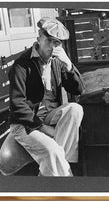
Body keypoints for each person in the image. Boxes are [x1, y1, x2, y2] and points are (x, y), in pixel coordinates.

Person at [8, 17, 84, 176]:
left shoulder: (57, 62)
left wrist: (69, 66)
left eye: (57, 43)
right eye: (49, 40)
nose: (52, 46)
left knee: (75, 109)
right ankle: (66, 181)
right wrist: (43, 128)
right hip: (24, 124)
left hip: (49, 115)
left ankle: (53, 171)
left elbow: (78, 90)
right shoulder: (22, 65)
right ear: (39, 38)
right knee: (52, 150)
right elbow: (17, 105)